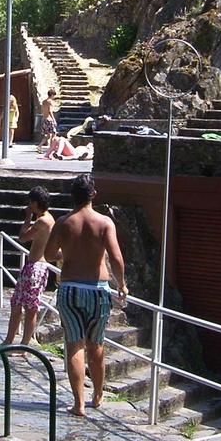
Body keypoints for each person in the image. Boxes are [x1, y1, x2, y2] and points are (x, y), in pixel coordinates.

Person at [44, 173, 127, 417]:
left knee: (74, 345)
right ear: (93, 195)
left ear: (72, 196)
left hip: (70, 288)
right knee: (96, 344)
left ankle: (78, 403)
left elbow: (49, 254)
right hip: (97, 290)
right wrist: (122, 285)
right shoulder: (104, 223)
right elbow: (116, 258)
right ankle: (98, 395)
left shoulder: (63, 222)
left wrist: (69, 254)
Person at [3, 186, 56, 348]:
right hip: (32, 266)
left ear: (35, 203)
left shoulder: (43, 221)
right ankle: (9, 341)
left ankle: (24, 345)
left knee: (30, 308)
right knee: (16, 304)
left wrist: (28, 217)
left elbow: (23, 237)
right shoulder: (47, 218)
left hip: (36, 268)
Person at [37, 89, 58, 153]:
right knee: (54, 133)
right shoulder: (50, 101)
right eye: (54, 95)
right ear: (52, 95)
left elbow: (42, 110)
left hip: (44, 119)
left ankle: (40, 146)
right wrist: (54, 120)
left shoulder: (44, 102)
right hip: (49, 119)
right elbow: (50, 111)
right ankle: (52, 147)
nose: (54, 97)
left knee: (48, 135)